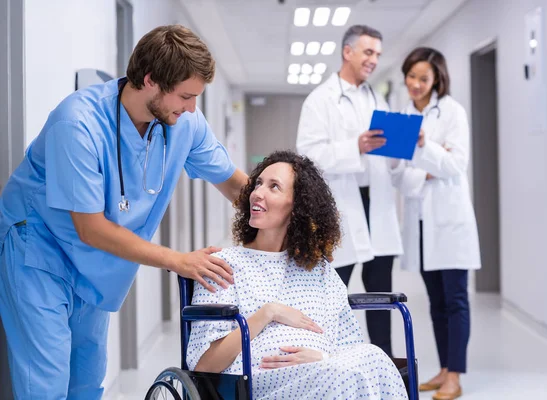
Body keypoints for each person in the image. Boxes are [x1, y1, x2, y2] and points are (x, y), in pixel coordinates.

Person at [0, 25, 248, 399]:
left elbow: (232, 183)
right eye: (185, 96)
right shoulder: (77, 124)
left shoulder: (183, 123)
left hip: (98, 264)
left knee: (85, 382)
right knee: (46, 385)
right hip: (39, 253)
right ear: (150, 80)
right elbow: (91, 229)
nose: (192, 109)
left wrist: (282, 210)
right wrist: (179, 260)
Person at [186, 150, 408, 399]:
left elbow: (349, 348)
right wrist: (268, 313)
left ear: (298, 208)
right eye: (258, 183)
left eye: (274, 187)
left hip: (326, 375)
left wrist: (323, 360)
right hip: (258, 383)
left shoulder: (318, 270)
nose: (257, 192)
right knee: (350, 372)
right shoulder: (224, 264)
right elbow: (203, 366)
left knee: (373, 357)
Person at [295, 24, 402, 358]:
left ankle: (383, 366)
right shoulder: (320, 100)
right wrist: (354, 147)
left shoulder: (376, 97)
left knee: (381, 300)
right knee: (332, 297)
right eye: (368, 52)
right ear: (348, 52)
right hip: (342, 209)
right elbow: (307, 157)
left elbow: (385, 155)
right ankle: (328, 362)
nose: (373, 60)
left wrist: (400, 148)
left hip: (378, 207)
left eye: (378, 55)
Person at [391, 47, 481, 400]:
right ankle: (443, 369)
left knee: (456, 300)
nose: (415, 84)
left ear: (437, 79)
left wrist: (426, 150)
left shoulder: (453, 112)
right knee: (436, 302)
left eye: (423, 78)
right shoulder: (399, 117)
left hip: (450, 222)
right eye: (411, 76)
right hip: (422, 224)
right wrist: (428, 166)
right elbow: (397, 173)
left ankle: (455, 376)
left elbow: (457, 165)